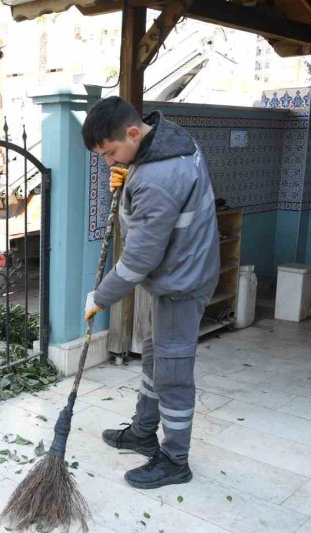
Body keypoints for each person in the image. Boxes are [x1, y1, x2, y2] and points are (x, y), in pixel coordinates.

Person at [81, 97, 220, 489]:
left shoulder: (157, 178)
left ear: (132, 132)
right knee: (155, 357)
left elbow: (139, 260)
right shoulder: (168, 140)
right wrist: (129, 176)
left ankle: (175, 460)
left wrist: (101, 297)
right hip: (179, 270)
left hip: (181, 282)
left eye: (110, 153)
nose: (109, 162)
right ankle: (143, 432)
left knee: (172, 372)